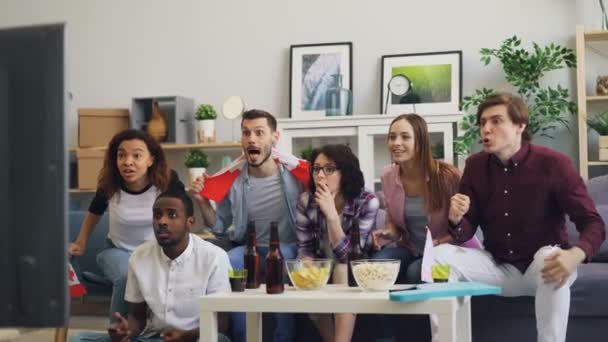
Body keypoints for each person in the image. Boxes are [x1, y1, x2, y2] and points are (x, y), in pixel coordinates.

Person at [434, 93, 606, 342]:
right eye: (482, 123)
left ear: (520, 126)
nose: (487, 129)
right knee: (440, 257)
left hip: (541, 268)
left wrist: (575, 255)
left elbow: (593, 222)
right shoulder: (475, 166)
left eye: (496, 121)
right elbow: (466, 232)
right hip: (498, 266)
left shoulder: (555, 164)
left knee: (551, 257)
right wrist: (456, 219)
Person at [189, 109, 308, 342]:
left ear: (275, 137)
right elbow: (220, 227)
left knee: (280, 259)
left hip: (287, 247)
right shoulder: (232, 179)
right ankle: (243, 338)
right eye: (246, 133)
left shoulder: (296, 175)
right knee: (226, 261)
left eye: (259, 133)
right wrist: (202, 202)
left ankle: (283, 338)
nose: (251, 139)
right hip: (248, 248)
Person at [370, 114, 479, 342]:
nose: (396, 143)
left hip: (447, 247)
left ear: (420, 141)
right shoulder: (389, 176)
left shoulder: (447, 176)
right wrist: (389, 231)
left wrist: (441, 241)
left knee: (416, 272)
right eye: (392, 137)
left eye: (405, 137)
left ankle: (424, 336)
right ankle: (386, 337)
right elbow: (396, 222)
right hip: (412, 247)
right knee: (379, 265)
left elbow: (467, 226)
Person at [74, 188, 232, 342]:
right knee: (79, 339)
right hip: (154, 338)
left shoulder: (214, 257)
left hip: (197, 338)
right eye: (157, 215)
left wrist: (186, 336)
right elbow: (137, 317)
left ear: (189, 222)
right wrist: (127, 330)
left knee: (219, 339)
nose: (162, 221)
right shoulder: (139, 257)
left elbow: (222, 323)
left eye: (172, 215)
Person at [68, 129, 184, 322]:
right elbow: (94, 212)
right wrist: (80, 243)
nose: (127, 162)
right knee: (127, 276)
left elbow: (182, 212)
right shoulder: (110, 183)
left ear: (151, 159)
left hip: (156, 253)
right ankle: (118, 331)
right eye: (121, 155)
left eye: (136, 155)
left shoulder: (167, 180)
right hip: (117, 251)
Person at [296, 144, 379, 342]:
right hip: (322, 262)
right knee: (303, 273)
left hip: (354, 264)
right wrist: (306, 264)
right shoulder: (305, 201)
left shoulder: (367, 201)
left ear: (346, 172)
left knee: (342, 269)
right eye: (316, 169)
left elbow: (350, 256)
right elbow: (305, 248)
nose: (321, 175)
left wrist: (332, 215)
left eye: (330, 169)